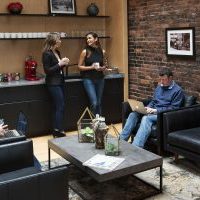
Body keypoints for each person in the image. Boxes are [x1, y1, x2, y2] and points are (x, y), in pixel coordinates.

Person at [120, 68, 184, 148]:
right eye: (160, 79)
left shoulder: (178, 91)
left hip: (162, 114)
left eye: (164, 80)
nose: (161, 82)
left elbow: (174, 109)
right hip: (153, 111)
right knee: (133, 114)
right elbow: (154, 101)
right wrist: (147, 107)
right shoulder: (159, 87)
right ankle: (120, 143)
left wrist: (156, 110)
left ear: (170, 78)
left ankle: (136, 148)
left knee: (146, 119)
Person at [42, 32, 70, 138]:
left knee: (57, 106)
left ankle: (56, 129)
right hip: (53, 83)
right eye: (59, 39)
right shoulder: (47, 53)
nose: (60, 41)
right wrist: (60, 64)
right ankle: (58, 130)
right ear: (54, 41)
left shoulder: (57, 51)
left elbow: (58, 68)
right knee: (60, 106)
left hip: (60, 81)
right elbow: (47, 71)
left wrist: (64, 63)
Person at [78, 32, 108, 115]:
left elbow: (105, 64)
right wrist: (91, 67)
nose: (88, 40)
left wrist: (102, 68)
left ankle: (99, 123)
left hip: (100, 79)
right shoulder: (85, 51)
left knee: (99, 103)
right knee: (94, 103)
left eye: (90, 38)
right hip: (88, 79)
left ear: (96, 39)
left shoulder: (102, 51)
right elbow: (79, 66)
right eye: (87, 38)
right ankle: (93, 123)